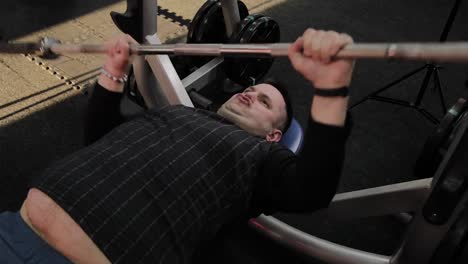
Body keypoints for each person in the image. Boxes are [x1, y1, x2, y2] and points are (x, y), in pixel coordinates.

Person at [0, 28, 354, 263]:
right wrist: (114, 72)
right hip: (14, 227)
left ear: (274, 136)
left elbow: (310, 191)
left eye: (264, 102)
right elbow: (100, 138)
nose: (249, 94)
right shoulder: (177, 114)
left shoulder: (260, 157)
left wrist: (331, 90)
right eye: (250, 90)